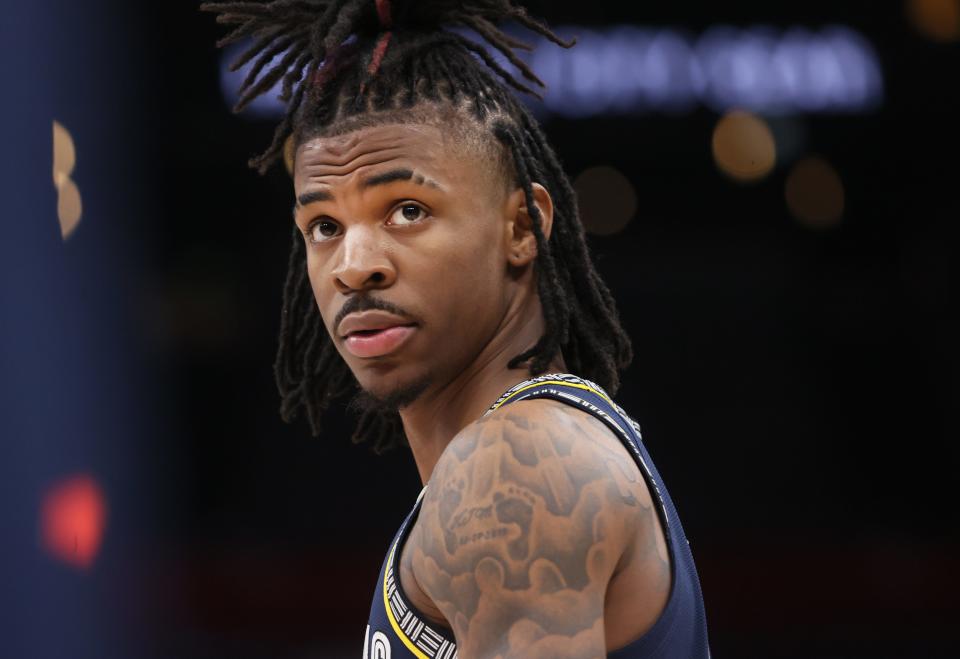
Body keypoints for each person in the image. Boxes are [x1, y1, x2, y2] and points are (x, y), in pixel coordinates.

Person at [202, 1, 710, 656]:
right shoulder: (528, 452)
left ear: (522, 228)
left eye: (407, 210)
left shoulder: (512, 470)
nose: (354, 266)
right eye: (325, 226)